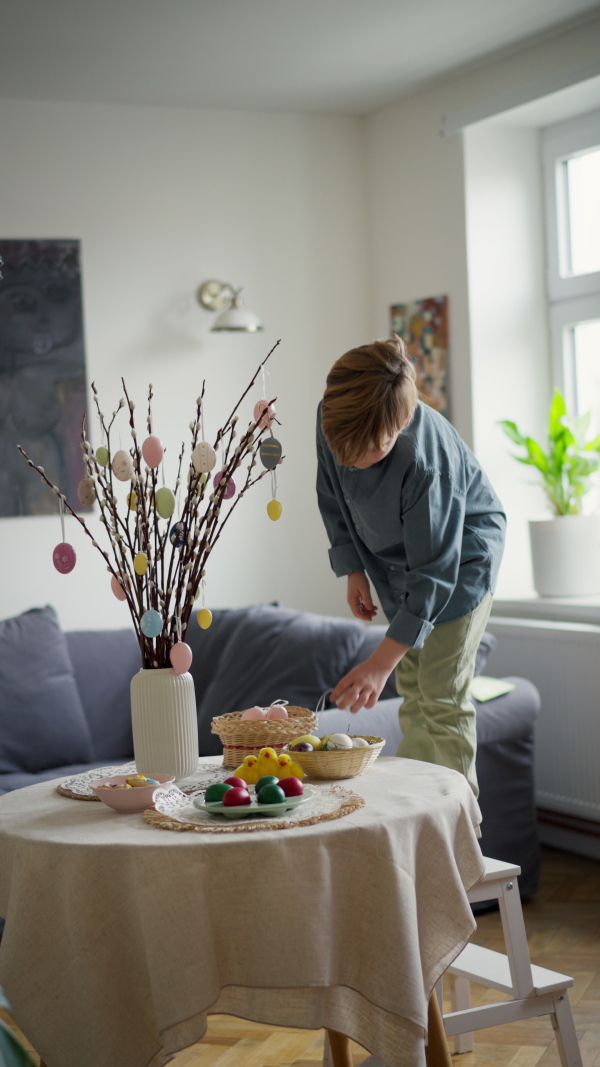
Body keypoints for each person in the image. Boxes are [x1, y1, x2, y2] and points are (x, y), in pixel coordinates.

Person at [316, 336, 506, 795]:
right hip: (402, 564)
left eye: (373, 451)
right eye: (345, 451)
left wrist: (380, 663)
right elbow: (332, 496)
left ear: (402, 423)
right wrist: (354, 569)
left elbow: (435, 572)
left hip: (459, 565)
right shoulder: (335, 416)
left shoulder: (426, 463)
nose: (354, 463)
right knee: (414, 696)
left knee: (441, 695)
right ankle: (421, 808)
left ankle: (459, 826)